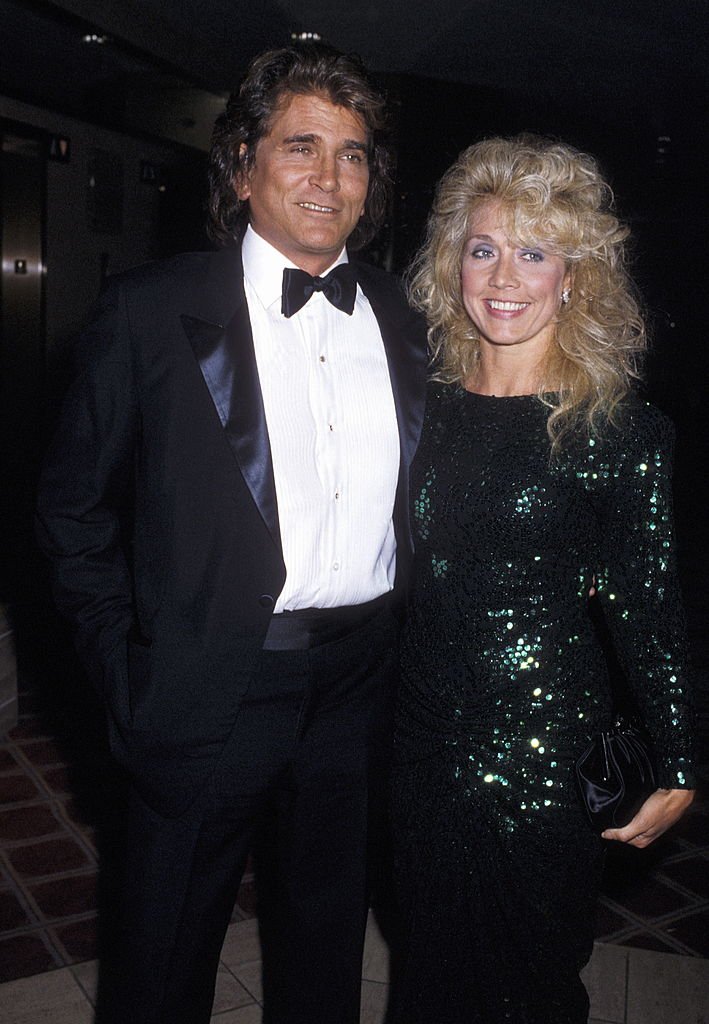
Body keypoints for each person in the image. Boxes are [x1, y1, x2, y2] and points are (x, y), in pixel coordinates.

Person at [35, 43, 426, 1024]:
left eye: (353, 152)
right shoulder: (147, 313)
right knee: (162, 961)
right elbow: (69, 516)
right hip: (208, 684)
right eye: (301, 146)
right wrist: (129, 676)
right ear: (242, 163)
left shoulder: (412, 318)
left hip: (358, 689)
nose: (329, 176)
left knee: (324, 948)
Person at [390, 135, 695, 1024]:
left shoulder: (617, 431)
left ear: (575, 278)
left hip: (542, 753)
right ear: (453, 264)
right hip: (419, 740)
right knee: (427, 964)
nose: (504, 275)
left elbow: (649, 602)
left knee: (530, 974)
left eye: (535, 252)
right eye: (483, 247)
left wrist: (676, 755)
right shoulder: (419, 407)